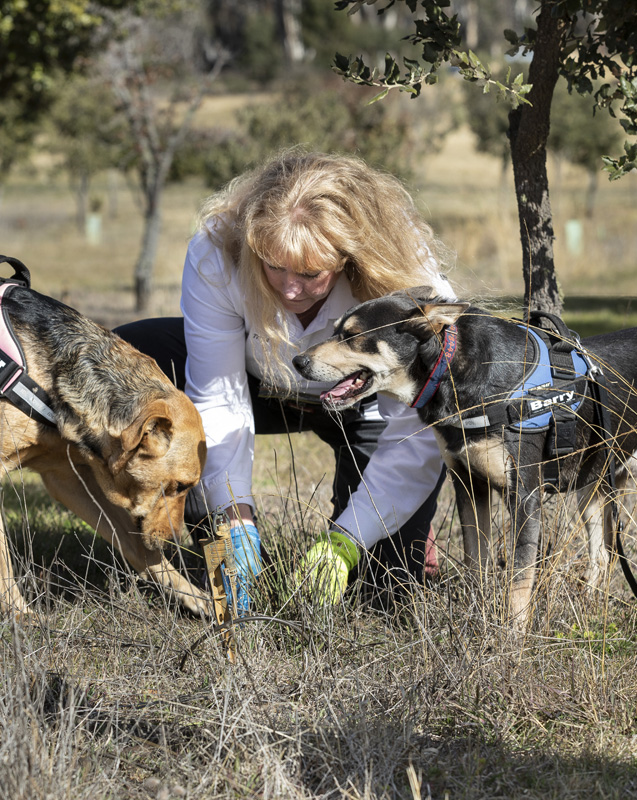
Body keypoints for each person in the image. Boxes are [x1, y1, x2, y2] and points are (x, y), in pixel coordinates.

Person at [115, 149, 454, 609]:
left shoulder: (405, 270)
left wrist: (348, 540)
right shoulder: (217, 251)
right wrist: (234, 514)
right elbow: (216, 398)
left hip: (363, 402)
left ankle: (395, 535)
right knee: (136, 356)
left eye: (311, 274)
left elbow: (417, 428)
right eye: (274, 266)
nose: (290, 289)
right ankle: (207, 546)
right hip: (261, 385)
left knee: (384, 588)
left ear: (349, 258)